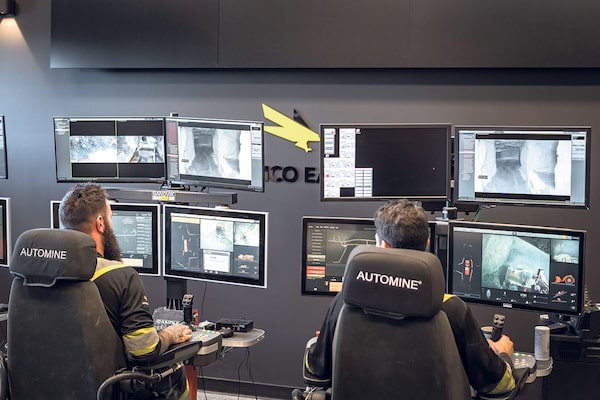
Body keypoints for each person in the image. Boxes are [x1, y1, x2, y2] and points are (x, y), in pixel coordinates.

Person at [302, 199, 515, 398]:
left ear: (382, 245)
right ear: (427, 243)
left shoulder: (345, 301)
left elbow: (315, 372)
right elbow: (496, 386)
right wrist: (503, 355)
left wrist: (316, 345)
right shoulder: (450, 309)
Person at [59, 182, 193, 400]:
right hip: (105, 390)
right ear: (100, 223)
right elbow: (144, 352)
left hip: (45, 386)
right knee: (174, 373)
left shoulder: (34, 273)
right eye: (110, 218)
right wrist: (169, 334)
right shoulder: (121, 276)